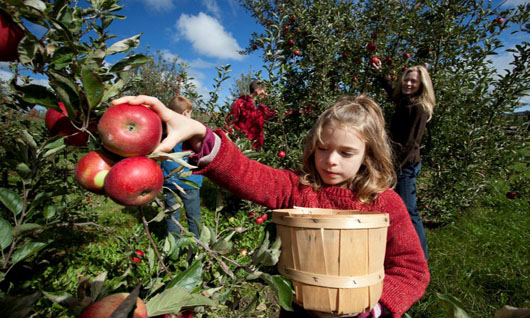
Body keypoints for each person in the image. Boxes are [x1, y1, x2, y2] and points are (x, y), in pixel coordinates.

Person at [111, 94, 430, 318]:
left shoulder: (384, 203)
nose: (330, 160)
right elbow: (245, 173)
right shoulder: (299, 189)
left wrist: (377, 308)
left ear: (367, 154)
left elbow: (412, 270)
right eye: (323, 148)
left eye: (346, 153)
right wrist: (198, 133)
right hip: (299, 312)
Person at [373, 63, 435, 260]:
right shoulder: (405, 101)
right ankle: (397, 248)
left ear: (421, 84)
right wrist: (380, 73)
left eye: (413, 81)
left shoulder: (419, 109)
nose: (408, 83)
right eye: (406, 79)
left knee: (409, 210)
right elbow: (393, 92)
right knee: (395, 207)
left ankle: (420, 257)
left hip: (405, 165)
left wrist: (393, 168)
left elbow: (411, 144)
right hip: (397, 162)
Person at [161, 96, 203, 238]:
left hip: (169, 180)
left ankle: (173, 248)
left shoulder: (163, 130)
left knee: (172, 216)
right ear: (185, 113)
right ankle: (198, 247)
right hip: (190, 181)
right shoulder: (192, 129)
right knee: (194, 217)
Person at [225, 79, 275, 149]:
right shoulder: (240, 103)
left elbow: (272, 115)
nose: (266, 94)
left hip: (256, 146)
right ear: (257, 90)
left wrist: (292, 112)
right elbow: (229, 123)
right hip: (242, 147)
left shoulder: (261, 107)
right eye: (265, 91)